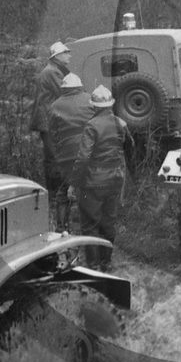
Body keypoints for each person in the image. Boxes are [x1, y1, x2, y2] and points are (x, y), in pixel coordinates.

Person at [68, 85, 130, 269]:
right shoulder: (121, 123)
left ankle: (94, 265)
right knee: (108, 221)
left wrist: (74, 183)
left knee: (89, 224)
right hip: (115, 179)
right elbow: (128, 149)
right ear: (110, 105)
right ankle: (106, 262)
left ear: (94, 106)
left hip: (93, 182)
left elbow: (83, 157)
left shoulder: (91, 126)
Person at [47, 73, 92, 230]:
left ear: (63, 89)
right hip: (90, 152)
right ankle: (92, 227)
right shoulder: (90, 99)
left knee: (63, 193)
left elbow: (52, 132)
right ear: (79, 86)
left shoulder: (55, 106)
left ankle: (62, 228)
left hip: (67, 157)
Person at [30, 41, 71, 200]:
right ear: (57, 56)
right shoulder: (53, 72)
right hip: (48, 121)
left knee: (53, 157)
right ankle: (56, 195)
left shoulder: (53, 70)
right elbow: (66, 92)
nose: (69, 55)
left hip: (48, 120)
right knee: (55, 158)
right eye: (66, 52)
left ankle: (56, 193)